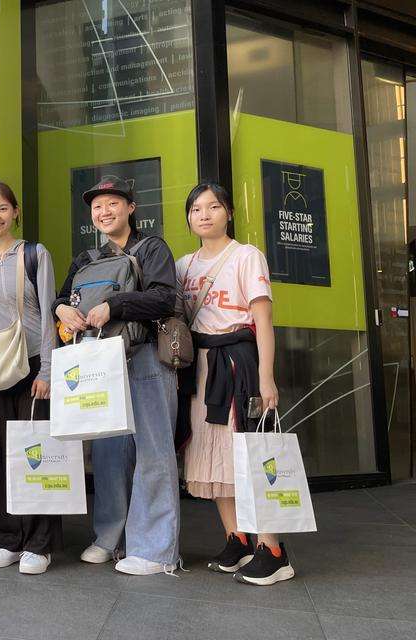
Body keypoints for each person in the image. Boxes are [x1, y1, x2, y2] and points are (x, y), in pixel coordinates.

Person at [53, 176, 181, 576]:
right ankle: (108, 537)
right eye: (97, 206)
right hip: (99, 361)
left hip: (145, 356)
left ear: (131, 208)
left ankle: (155, 549)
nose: (104, 211)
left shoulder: (152, 248)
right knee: (108, 452)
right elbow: (62, 297)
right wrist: (62, 311)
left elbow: (165, 298)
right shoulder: (86, 258)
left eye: (113, 203)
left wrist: (115, 305)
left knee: (153, 450)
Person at [175, 181, 291, 586]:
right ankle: (237, 538)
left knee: (248, 452)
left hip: (238, 362)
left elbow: (263, 321)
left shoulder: (246, 256)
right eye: (196, 209)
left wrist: (266, 377)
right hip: (201, 368)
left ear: (229, 212)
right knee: (211, 453)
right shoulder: (183, 265)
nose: (204, 215)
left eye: (213, 207)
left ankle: (273, 550)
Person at [0, 181, 59, 575]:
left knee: (36, 453)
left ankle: (39, 543)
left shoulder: (35, 254)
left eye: (2, 209)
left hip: (34, 364)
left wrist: (49, 370)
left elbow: (51, 314)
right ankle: (5, 538)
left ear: (15, 212)